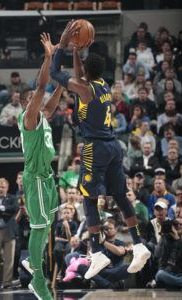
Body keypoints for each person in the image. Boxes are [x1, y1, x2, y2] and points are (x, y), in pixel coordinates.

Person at [50, 20, 151, 280]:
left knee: (89, 198)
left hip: (95, 147)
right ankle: (139, 245)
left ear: (86, 72)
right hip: (113, 146)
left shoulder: (83, 88)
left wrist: (62, 43)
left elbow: (54, 72)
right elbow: (80, 74)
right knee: (119, 195)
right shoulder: (103, 85)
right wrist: (76, 51)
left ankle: (96, 251)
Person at [18, 32, 63, 300]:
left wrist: (62, 85)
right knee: (38, 226)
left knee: (48, 222)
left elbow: (50, 103)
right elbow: (41, 86)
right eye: (33, 98)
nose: (37, 100)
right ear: (27, 103)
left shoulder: (42, 115)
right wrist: (48, 59)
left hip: (46, 176)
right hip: (34, 177)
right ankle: (37, 279)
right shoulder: (29, 118)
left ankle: (31, 262)